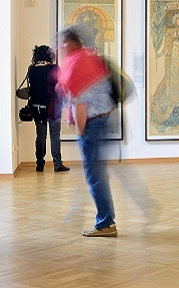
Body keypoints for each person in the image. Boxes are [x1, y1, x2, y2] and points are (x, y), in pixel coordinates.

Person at [57, 26, 118, 237]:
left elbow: (80, 105)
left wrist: (80, 133)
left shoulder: (75, 65)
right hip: (105, 118)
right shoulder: (89, 57)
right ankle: (106, 219)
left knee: (94, 174)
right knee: (99, 173)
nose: (61, 47)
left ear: (72, 43)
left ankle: (106, 223)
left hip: (92, 124)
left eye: (64, 43)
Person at [27, 45, 68, 173]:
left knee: (40, 135)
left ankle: (39, 164)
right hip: (53, 107)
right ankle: (57, 164)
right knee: (54, 135)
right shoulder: (54, 68)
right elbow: (60, 87)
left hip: (37, 108)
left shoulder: (32, 69)